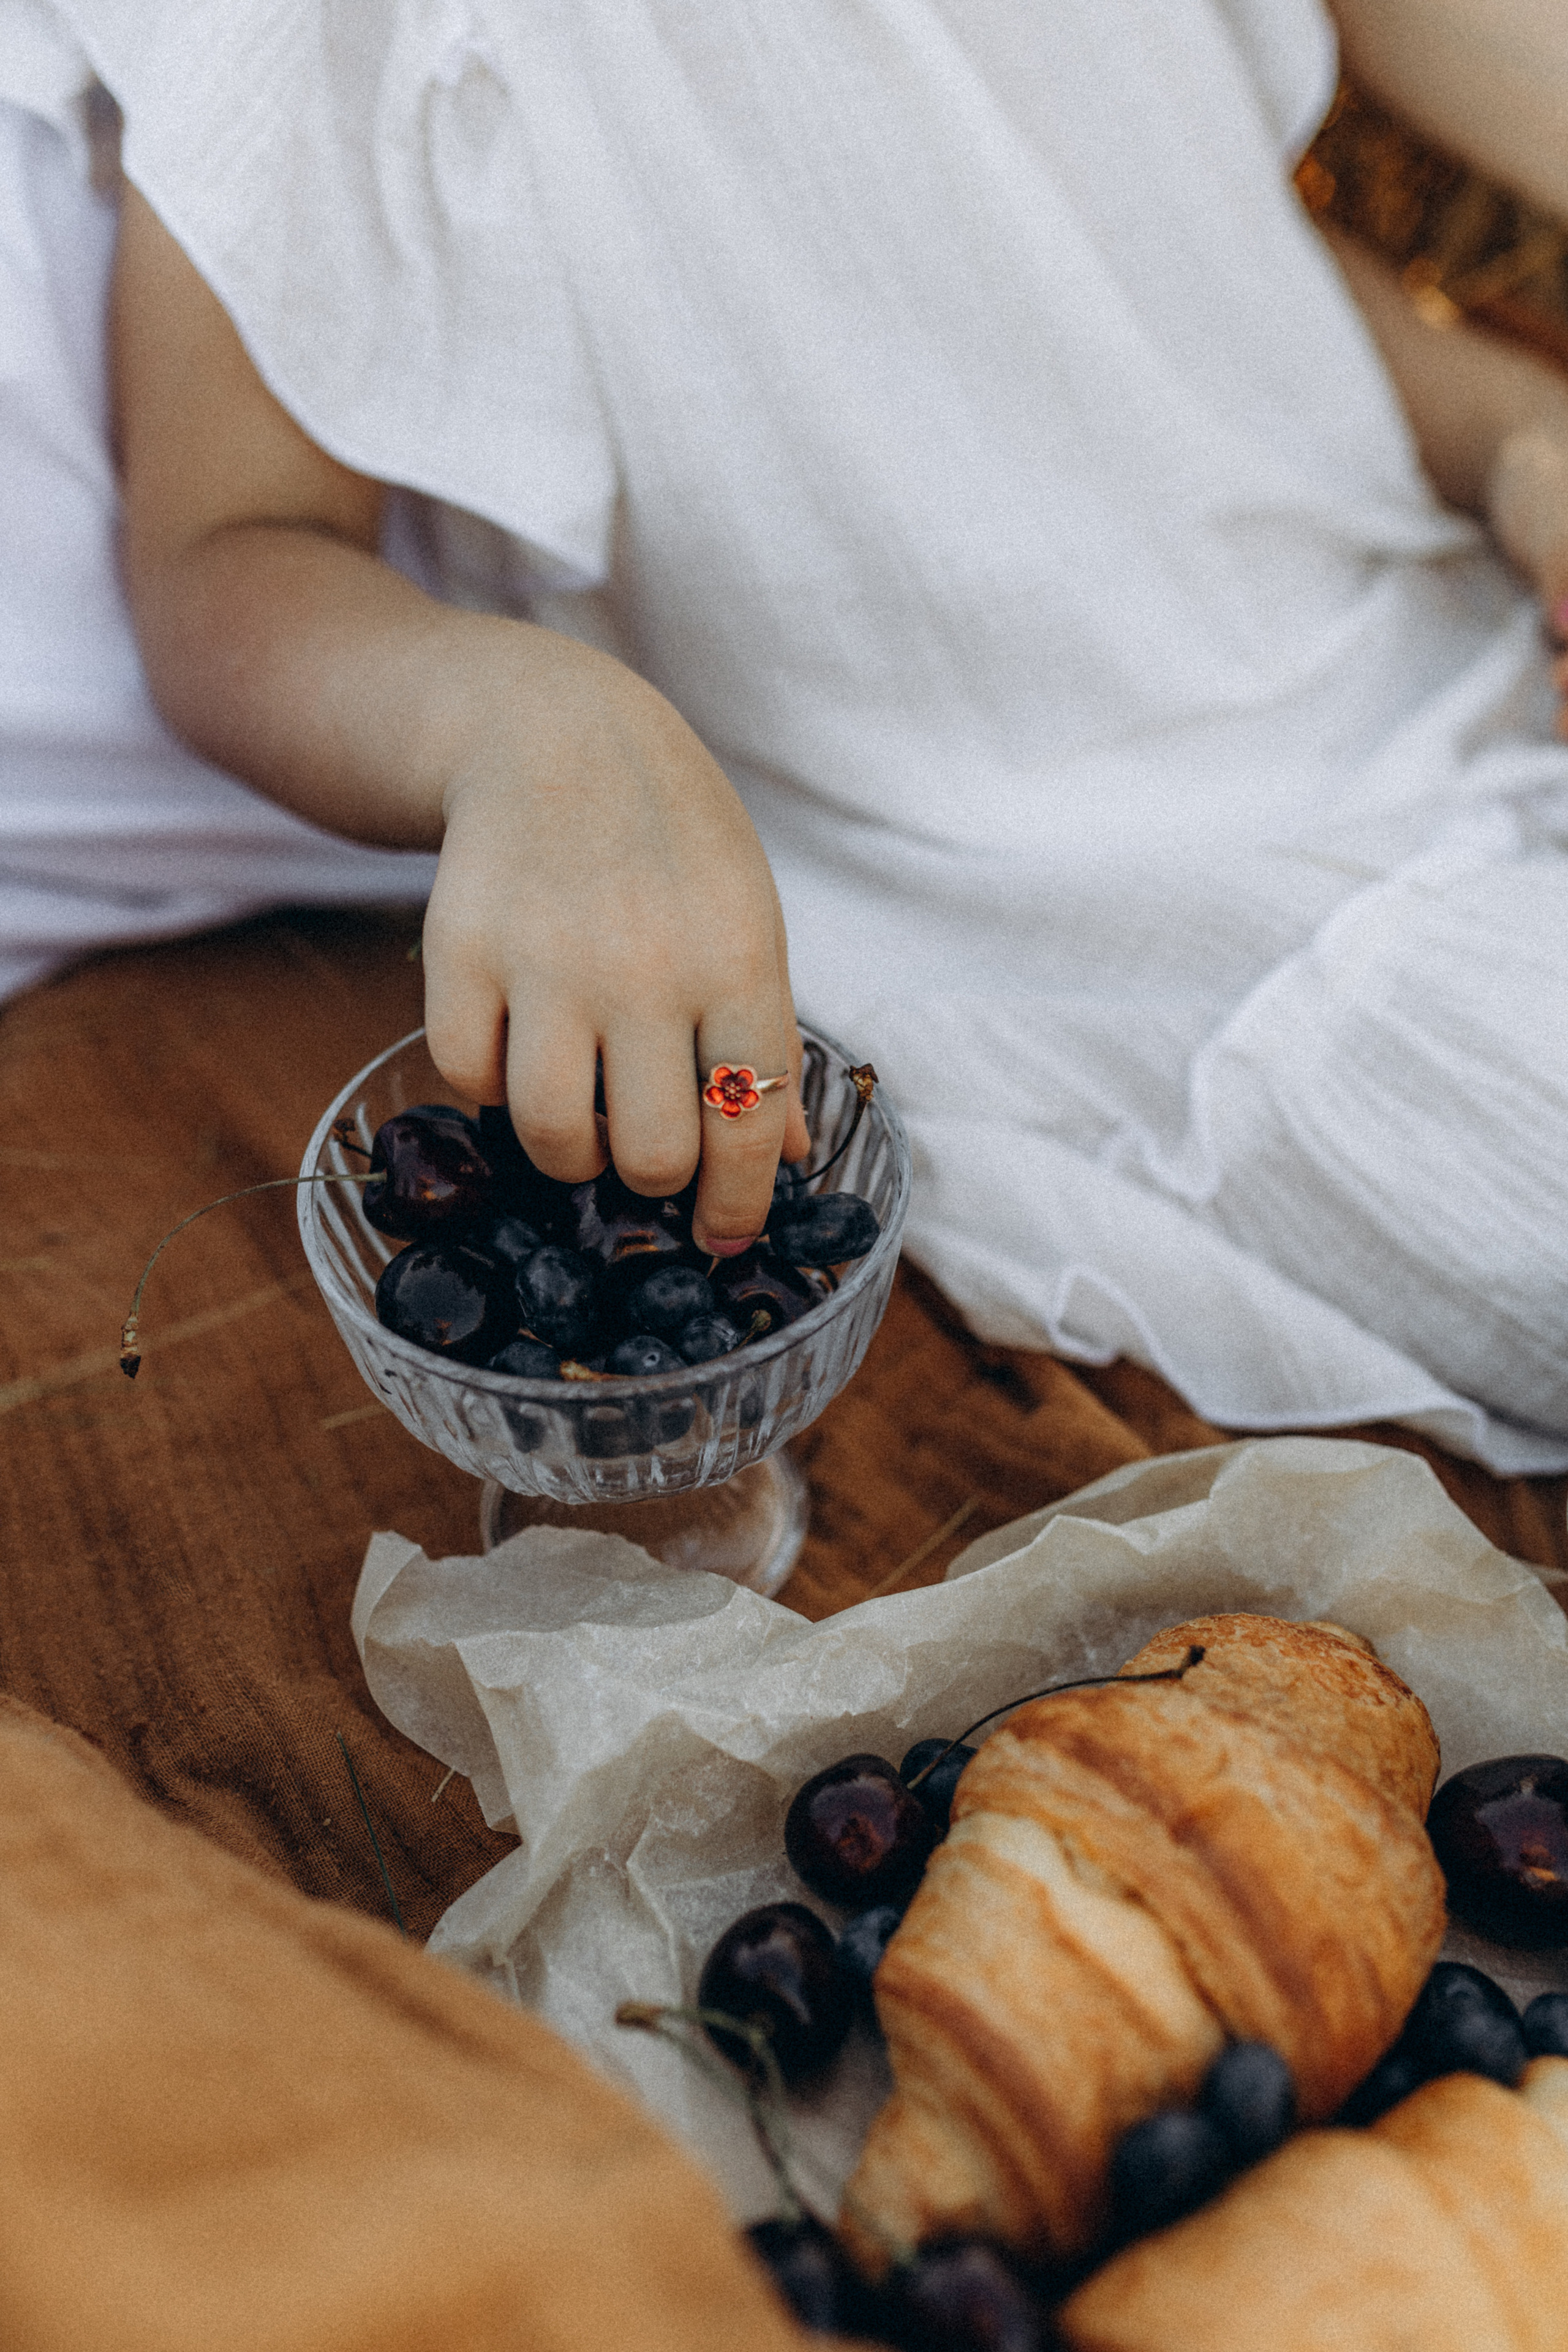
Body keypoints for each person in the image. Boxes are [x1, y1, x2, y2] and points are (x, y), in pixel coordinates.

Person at [5, 0, 1568, 1466]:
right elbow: (232, 555)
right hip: (1105, 920)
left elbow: (1150, 259)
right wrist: (520, 725)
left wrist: (1511, 434)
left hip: (1461, 644)